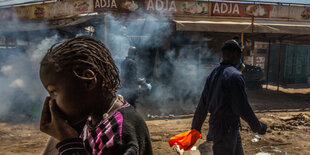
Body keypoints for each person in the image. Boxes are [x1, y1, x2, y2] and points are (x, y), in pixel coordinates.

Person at [39, 36, 153, 155]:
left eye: (53, 92)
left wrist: (68, 142)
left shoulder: (119, 133)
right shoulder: (91, 119)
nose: (51, 101)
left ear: (88, 82)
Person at [191, 39, 267, 155]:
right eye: (240, 54)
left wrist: (196, 126)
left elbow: (203, 103)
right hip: (226, 128)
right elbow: (242, 107)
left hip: (222, 125)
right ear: (235, 54)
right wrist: (257, 127)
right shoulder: (235, 76)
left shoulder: (214, 73)